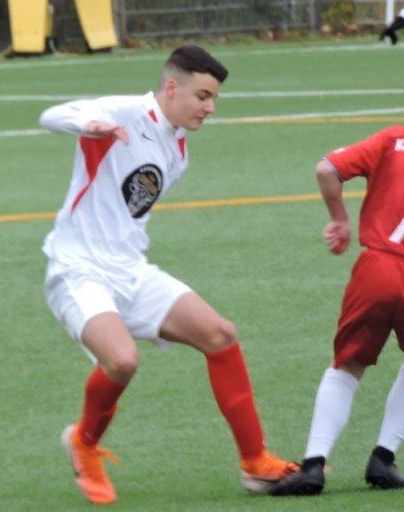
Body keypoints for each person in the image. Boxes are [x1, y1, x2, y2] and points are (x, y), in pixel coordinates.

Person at [39, 45, 297, 505]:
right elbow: (52, 116)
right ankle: (83, 441)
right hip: (78, 268)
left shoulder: (178, 149)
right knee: (122, 361)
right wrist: (89, 125)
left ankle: (255, 463)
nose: (210, 108)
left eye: (213, 98)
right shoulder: (126, 112)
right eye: (203, 96)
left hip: (130, 270)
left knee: (220, 334)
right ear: (172, 87)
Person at [269, 127, 404, 496]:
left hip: (377, 268)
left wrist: (340, 219)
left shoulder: (394, 138)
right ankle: (383, 457)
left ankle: (313, 465)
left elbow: (327, 168)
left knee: (347, 366)